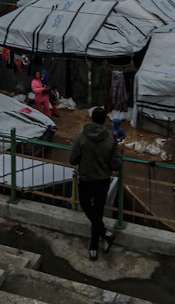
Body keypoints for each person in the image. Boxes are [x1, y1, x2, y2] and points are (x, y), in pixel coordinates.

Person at [70, 106, 122, 261]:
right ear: (105, 119)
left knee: (86, 205)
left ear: (91, 118)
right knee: (98, 211)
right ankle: (99, 239)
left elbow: (73, 159)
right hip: (102, 180)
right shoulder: (110, 138)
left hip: (86, 179)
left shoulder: (82, 137)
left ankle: (98, 241)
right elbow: (116, 164)